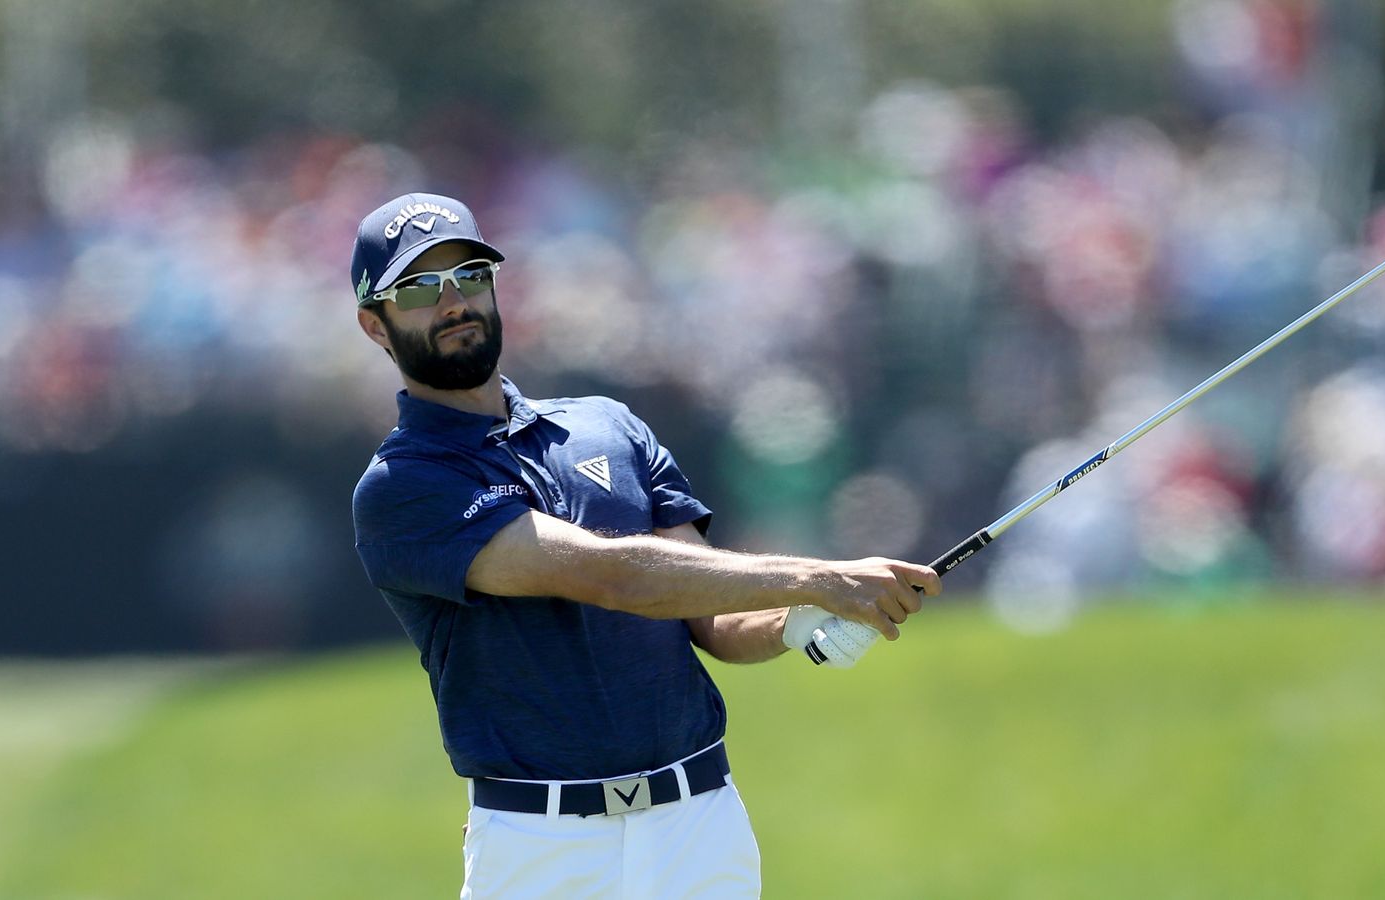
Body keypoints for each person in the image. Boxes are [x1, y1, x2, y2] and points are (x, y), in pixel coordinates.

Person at [348, 192, 941, 898]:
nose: (453, 303)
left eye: (469, 277)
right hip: (543, 849)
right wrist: (819, 578)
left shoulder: (610, 427)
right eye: (419, 288)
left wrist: (797, 622)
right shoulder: (402, 485)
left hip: (700, 825)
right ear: (374, 325)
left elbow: (710, 616)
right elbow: (610, 576)